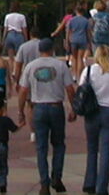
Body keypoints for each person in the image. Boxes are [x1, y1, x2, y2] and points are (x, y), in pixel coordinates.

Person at [18, 37, 76, 195]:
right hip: (56, 106)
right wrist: (74, 108)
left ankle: (44, 183)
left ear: (39, 51)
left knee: (41, 147)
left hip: (38, 108)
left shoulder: (31, 66)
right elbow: (70, 88)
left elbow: (23, 90)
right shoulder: (60, 65)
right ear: (52, 50)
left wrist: (21, 111)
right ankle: (56, 176)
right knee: (58, 144)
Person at [80, 44, 109, 195]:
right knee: (105, 151)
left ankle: (89, 182)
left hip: (92, 111)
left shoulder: (89, 71)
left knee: (91, 148)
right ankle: (102, 187)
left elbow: (81, 88)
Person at [65, 2, 91, 73]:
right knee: (80, 58)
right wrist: (89, 42)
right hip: (82, 40)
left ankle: (74, 75)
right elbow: (88, 33)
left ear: (76, 11)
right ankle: (79, 75)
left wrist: (67, 42)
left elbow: (68, 32)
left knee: (74, 58)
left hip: (74, 40)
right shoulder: (86, 21)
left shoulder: (71, 20)